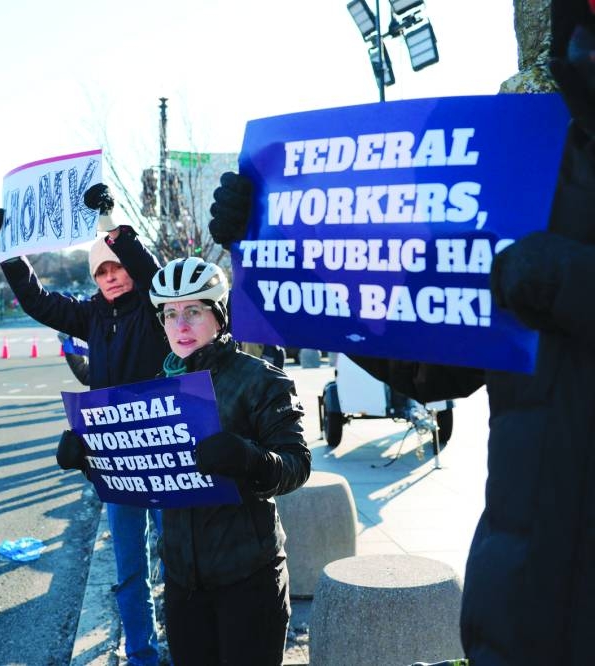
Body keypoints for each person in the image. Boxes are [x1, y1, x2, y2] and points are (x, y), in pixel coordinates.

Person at [206, 3, 595, 658]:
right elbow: (437, 357)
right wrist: (279, 250)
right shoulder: (543, 156)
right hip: (524, 608)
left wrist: (575, 284)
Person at [60, 256, 311, 665]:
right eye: (170, 314)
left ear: (220, 316)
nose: (180, 325)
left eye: (194, 311)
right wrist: (92, 460)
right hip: (182, 583)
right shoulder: (157, 387)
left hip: (247, 576)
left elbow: (297, 464)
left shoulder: (262, 379)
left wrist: (250, 459)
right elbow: (141, 470)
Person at [0, 184, 171, 666]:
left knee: (179, 563)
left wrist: (110, 223)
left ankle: (187, 643)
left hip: (170, 453)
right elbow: (39, 302)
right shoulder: (90, 316)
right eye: (101, 269)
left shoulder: (157, 309)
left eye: (117, 267)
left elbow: (154, 274)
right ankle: (142, 655)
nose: (110, 276)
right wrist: (10, 254)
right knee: (130, 571)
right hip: (119, 465)